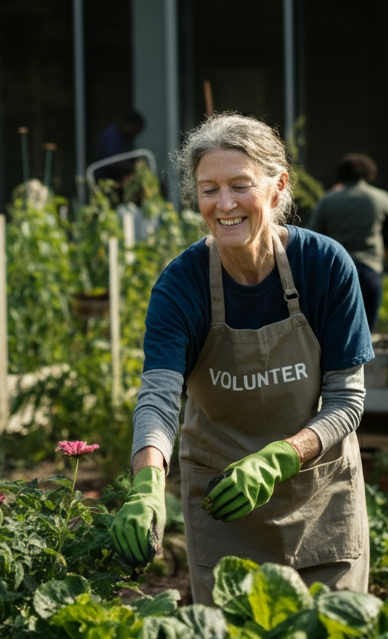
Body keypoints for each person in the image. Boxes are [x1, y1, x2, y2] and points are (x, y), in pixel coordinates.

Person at [108, 113, 374, 602]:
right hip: (222, 504)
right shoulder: (181, 283)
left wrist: (279, 458)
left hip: (317, 496)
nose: (224, 204)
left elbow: (347, 400)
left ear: (278, 188)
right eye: (209, 189)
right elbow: (160, 395)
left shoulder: (325, 265)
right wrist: (147, 479)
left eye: (240, 186)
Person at [307, 154, 388, 333]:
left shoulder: (328, 200)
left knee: (336, 331)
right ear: (370, 173)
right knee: (366, 334)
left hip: (335, 272)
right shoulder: (381, 198)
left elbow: (312, 237)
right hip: (370, 270)